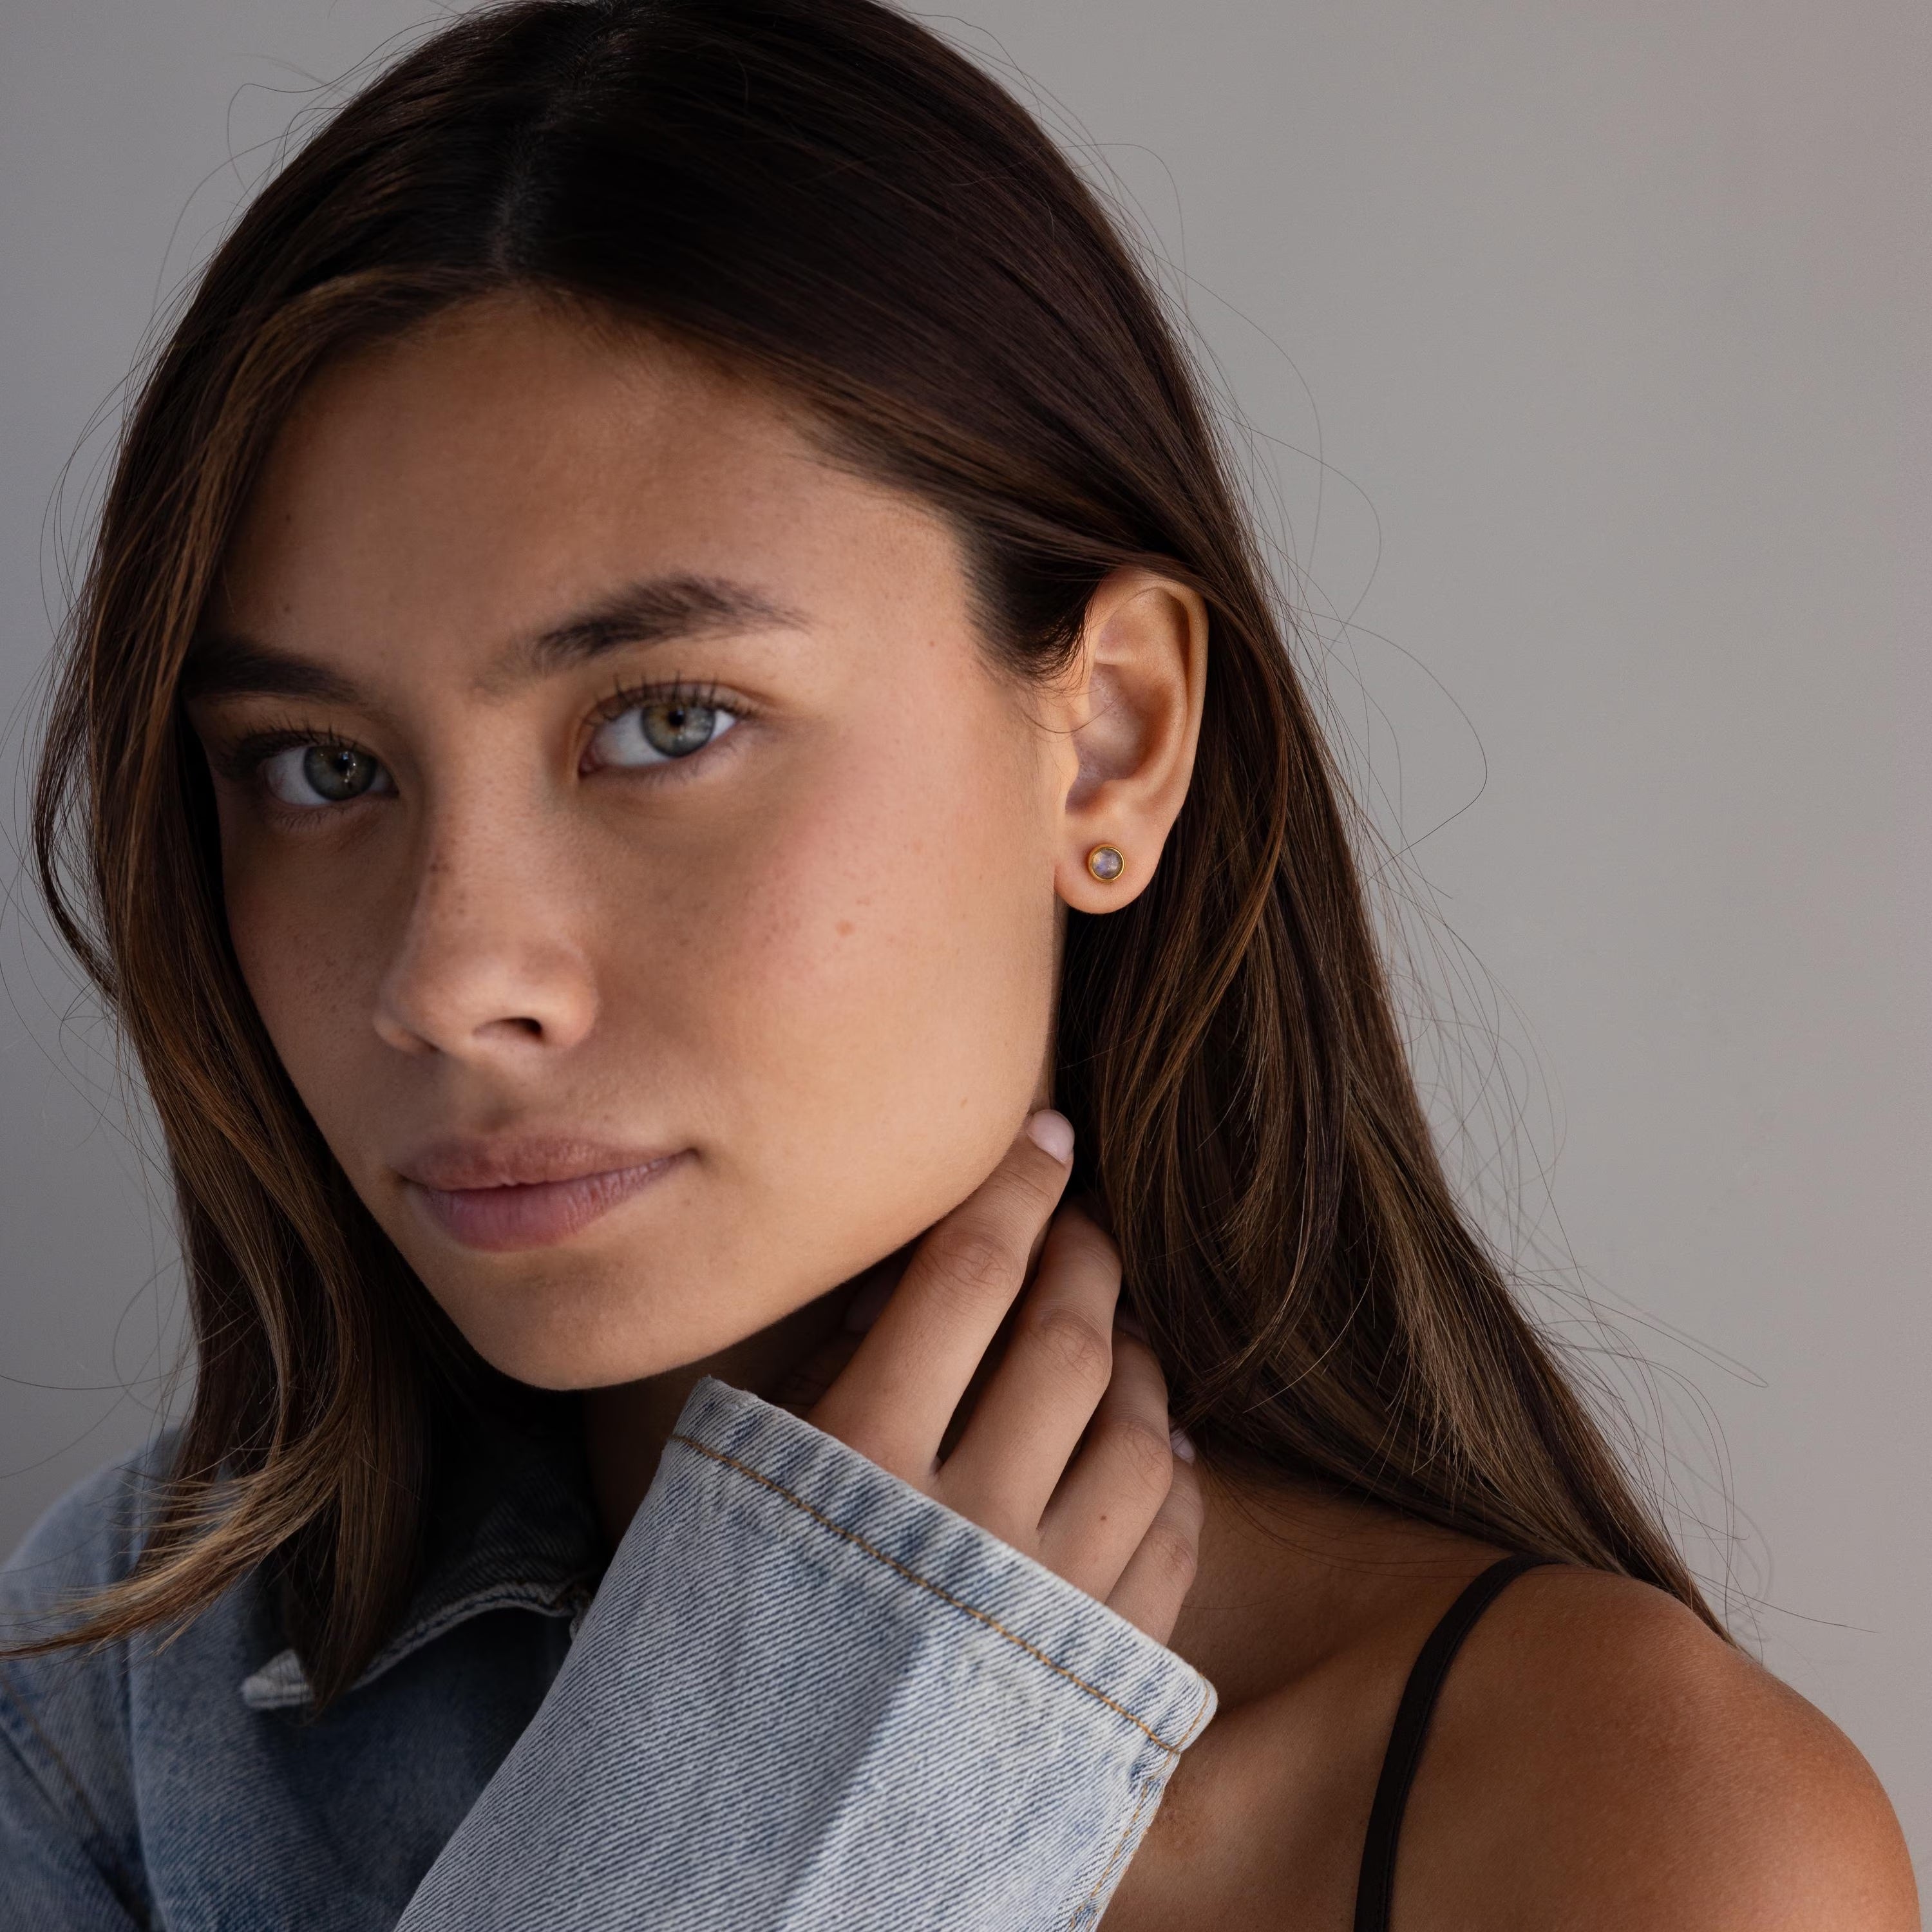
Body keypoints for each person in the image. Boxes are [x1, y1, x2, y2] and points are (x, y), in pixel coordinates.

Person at [1, 0, 1915, 1925]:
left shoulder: (1620, 1837)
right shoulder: (117, 1715)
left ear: (1111, 740)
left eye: (666, 723)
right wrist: (744, 1833)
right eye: (321, 770)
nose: (448, 977)